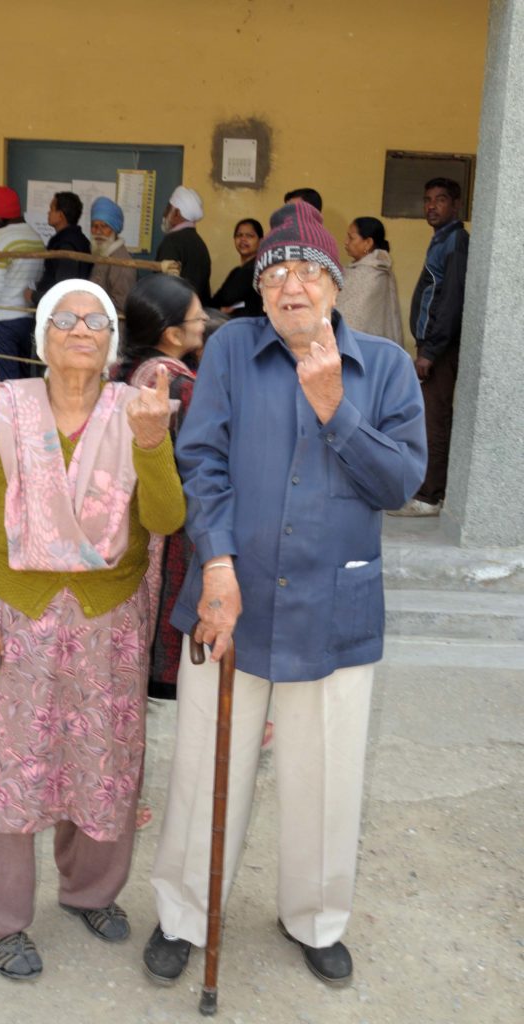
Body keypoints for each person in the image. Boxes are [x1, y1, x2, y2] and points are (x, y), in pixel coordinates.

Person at [141, 201, 426, 992]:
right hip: (229, 600)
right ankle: (185, 914)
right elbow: (203, 462)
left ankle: (315, 918)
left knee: (326, 772)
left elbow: (399, 483)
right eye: (274, 272)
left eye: (306, 271)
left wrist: (337, 408)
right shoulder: (233, 349)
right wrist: (219, 564)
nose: (289, 285)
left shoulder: (387, 368)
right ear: (259, 289)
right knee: (205, 765)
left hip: (336, 604)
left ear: (335, 285)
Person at [0, 278, 185, 982]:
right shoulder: (4, 413)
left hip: (110, 622)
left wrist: (151, 444)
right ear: (43, 338)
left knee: (102, 767)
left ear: (112, 342)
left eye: (97, 320)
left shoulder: (136, 411)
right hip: (16, 621)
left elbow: (167, 520)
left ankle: (89, 893)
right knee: (9, 778)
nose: (81, 329)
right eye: (65, 319)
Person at [113, 274, 206, 700]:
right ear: (172, 334)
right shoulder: (179, 386)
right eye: (196, 316)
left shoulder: (122, 370)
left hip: (121, 515)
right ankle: (165, 676)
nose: (204, 320)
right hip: (168, 518)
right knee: (169, 585)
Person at [390, 178, 469, 516]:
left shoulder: (456, 242)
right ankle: (431, 491)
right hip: (433, 345)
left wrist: (431, 351)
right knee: (430, 417)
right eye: (427, 200)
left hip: (441, 348)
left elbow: (451, 300)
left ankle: (429, 497)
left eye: (440, 200)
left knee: (434, 420)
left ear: (456, 206)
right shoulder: (441, 240)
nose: (432, 206)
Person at [0, 186, 45, 385]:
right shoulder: (35, 237)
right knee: (23, 382)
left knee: (5, 385)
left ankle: (6, 418)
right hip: (27, 320)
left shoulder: (2, 238)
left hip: (3, 321)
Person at [336, 217, 403, 344]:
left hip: (364, 346)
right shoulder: (360, 269)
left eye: (351, 238)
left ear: (368, 243)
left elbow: (352, 319)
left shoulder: (374, 272)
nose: (346, 242)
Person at [26, 191, 92, 306]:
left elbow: (63, 291)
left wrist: (34, 296)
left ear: (61, 216)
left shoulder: (66, 246)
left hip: (60, 311)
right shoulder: (79, 239)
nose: (48, 212)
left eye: (51, 209)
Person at [156, 186, 211, 304]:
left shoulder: (172, 241)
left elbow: (163, 287)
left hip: (176, 314)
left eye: (167, 209)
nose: (164, 214)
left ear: (176, 213)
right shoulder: (199, 243)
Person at [88, 196, 137, 319]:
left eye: (104, 226)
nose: (98, 231)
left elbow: (122, 305)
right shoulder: (103, 254)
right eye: (94, 226)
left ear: (114, 229)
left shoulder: (121, 261)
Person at [210, 219, 265, 318]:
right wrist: (220, 309)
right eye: (239, 235)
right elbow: (215, 301)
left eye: (249, 236)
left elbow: (227, 297)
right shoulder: (236, 272)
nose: (243, 239)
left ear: (260, 241)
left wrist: (219, 309)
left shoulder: (259, 269)